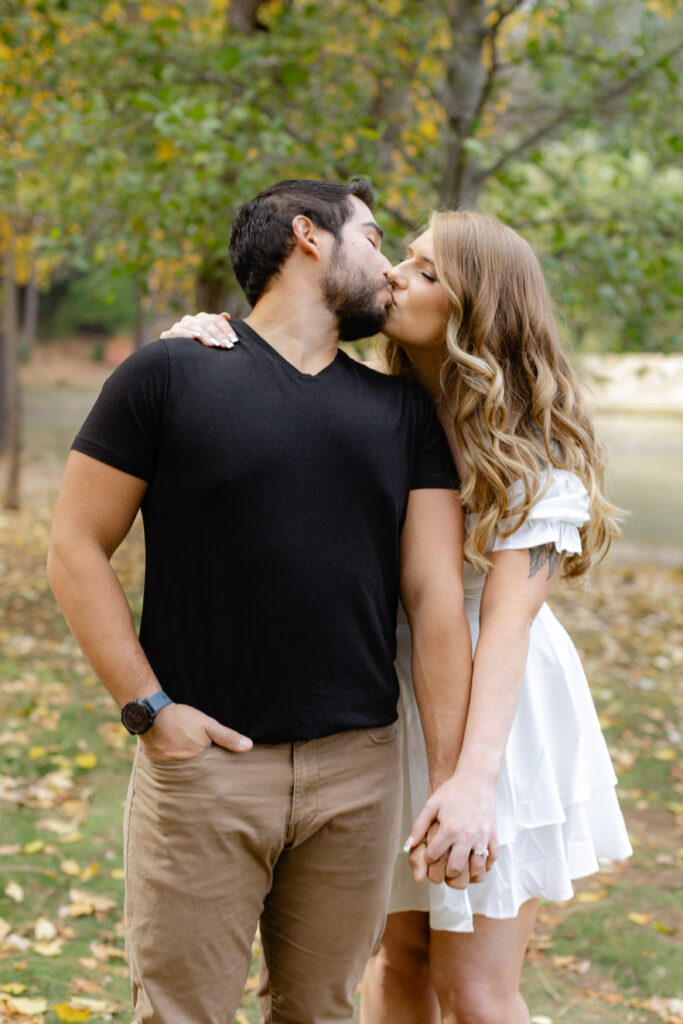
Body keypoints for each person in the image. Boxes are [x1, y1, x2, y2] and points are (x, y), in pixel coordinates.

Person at [166, 209, 632, 1024]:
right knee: (399, 960)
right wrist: (203, 334)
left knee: (477, 991)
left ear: (474, 306)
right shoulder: (373, 403)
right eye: (401, 259)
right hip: (381, 693)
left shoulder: (527, 442)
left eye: (422, 271)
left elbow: (511, 626)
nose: (392, 277)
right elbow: (273, 358)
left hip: (500, 706)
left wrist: (473, 780)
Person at [47, 178, 474, 1024]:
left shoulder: (401, 412)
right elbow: (73, 546)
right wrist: (149, 709)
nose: (389, 268)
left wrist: (456, 777)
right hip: (205, 769)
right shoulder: (167, 375)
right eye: (375, 238)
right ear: (308, 236)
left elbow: (433, 598)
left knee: (319, 1012)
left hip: (357, 772)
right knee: (181, 1013)